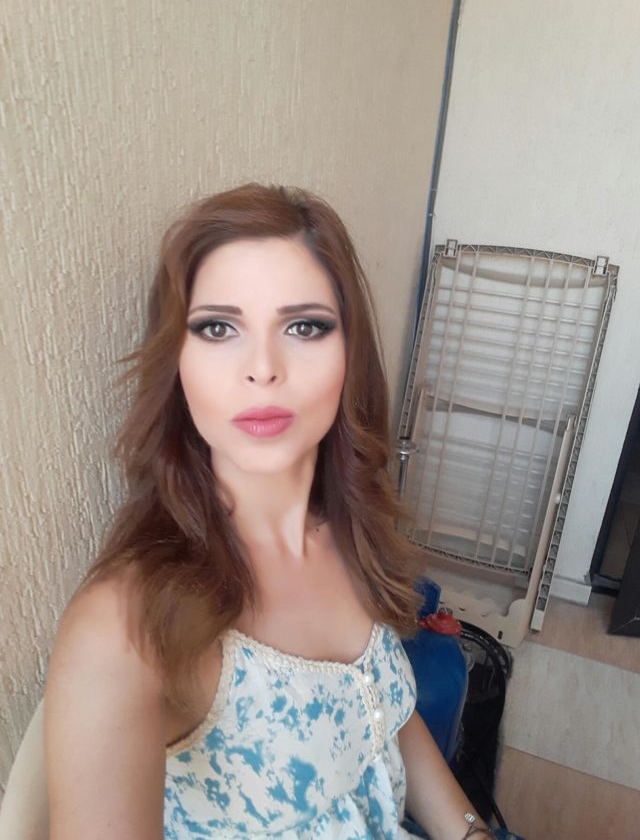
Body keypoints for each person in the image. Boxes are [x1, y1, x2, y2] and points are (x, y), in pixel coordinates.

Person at [44, 183, 493, 839]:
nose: (262, 368)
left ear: (349, 356)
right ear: (177, 365)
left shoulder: (350, 530)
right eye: (218, 327)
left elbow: (384, 717)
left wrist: (472, 831)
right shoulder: (123, 627)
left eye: (304, 326)